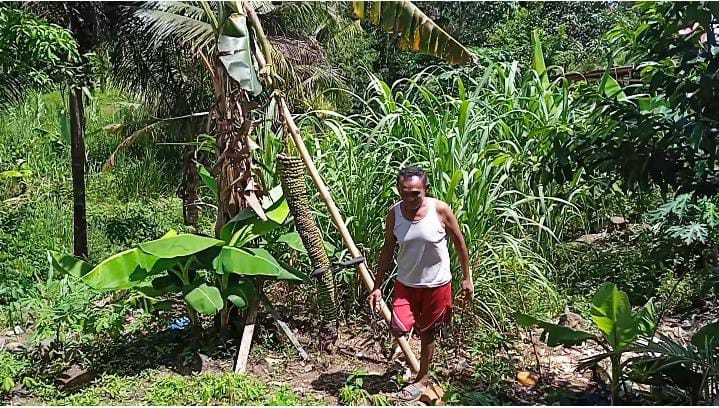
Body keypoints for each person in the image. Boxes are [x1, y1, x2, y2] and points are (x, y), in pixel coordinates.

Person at [369, 166, 473, 401]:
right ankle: (410, 365)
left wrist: (467, 278)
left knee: (427, 333)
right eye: (404, 192)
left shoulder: (440, 210)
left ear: (426, 189)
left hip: (436, 285)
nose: (410, 198)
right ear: (398, 190)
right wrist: (377, 285)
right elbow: (388, 248)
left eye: (415, 193)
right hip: (406, 284)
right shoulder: (394, 213)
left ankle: (422, 378)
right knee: (399, 326)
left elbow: (459, 242)